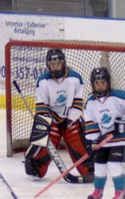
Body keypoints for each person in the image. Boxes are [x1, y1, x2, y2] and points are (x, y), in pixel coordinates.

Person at [24, 48, 93, 179]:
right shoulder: (43, 81)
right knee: (49, 137)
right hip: (52, 120)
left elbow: (78, 104)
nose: (55, 68)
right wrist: (45, 125)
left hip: (70, 119)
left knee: (75, 137)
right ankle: (35, 167)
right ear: (47, 65)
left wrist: (71, 119)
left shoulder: (75, 78)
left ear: (63, 63)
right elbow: (42, 107)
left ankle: (89, 167)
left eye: (58, 64)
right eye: (52, 65)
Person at [84, 67, 125, 199]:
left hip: (120, 137)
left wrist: (124, 121)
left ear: (108, 83)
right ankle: (98, 191)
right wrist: (93, 141)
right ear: (92, 84)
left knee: (113, 164)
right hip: (103, 139)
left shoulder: (120, 95)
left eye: (103, 82)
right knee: (99, 165)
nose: (100, 86)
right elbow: (91, 123)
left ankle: (120, 193)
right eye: (97, 83)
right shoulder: (90, 103)